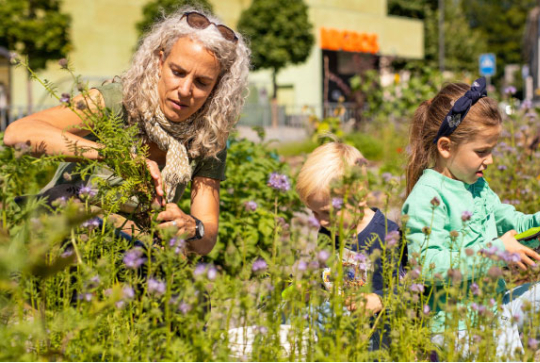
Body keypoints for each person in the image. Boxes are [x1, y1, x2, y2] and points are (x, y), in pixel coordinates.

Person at [3, 7, 250, 256]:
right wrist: (113, 155)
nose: (185, 90)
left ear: (216, 87)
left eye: (202, 83)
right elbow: (19, 133)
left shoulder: (207, 137)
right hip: (63, 233)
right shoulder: (118, 100)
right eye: (178, 72)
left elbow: (206, 238)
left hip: (129, 252)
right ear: (160, 62)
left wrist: (191, 227)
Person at [401, 76, 540, 358]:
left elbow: (512, 221)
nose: (490, 160)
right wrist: (493, 253)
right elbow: (426, 266)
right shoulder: (427, 197)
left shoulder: (477, 185)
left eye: (492, 150)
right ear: (446, 147)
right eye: (482, 151)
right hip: (456, 324)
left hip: (495, 304)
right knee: (502, 338)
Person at [295, 142, 406, 350]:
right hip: (337, 335)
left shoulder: (386, 235)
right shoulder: (329, 231)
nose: (320, 221)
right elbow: (328, 274)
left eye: (327, 212)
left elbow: (407, 288)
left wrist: (379, 299)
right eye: (314, 212)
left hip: (376, 340)